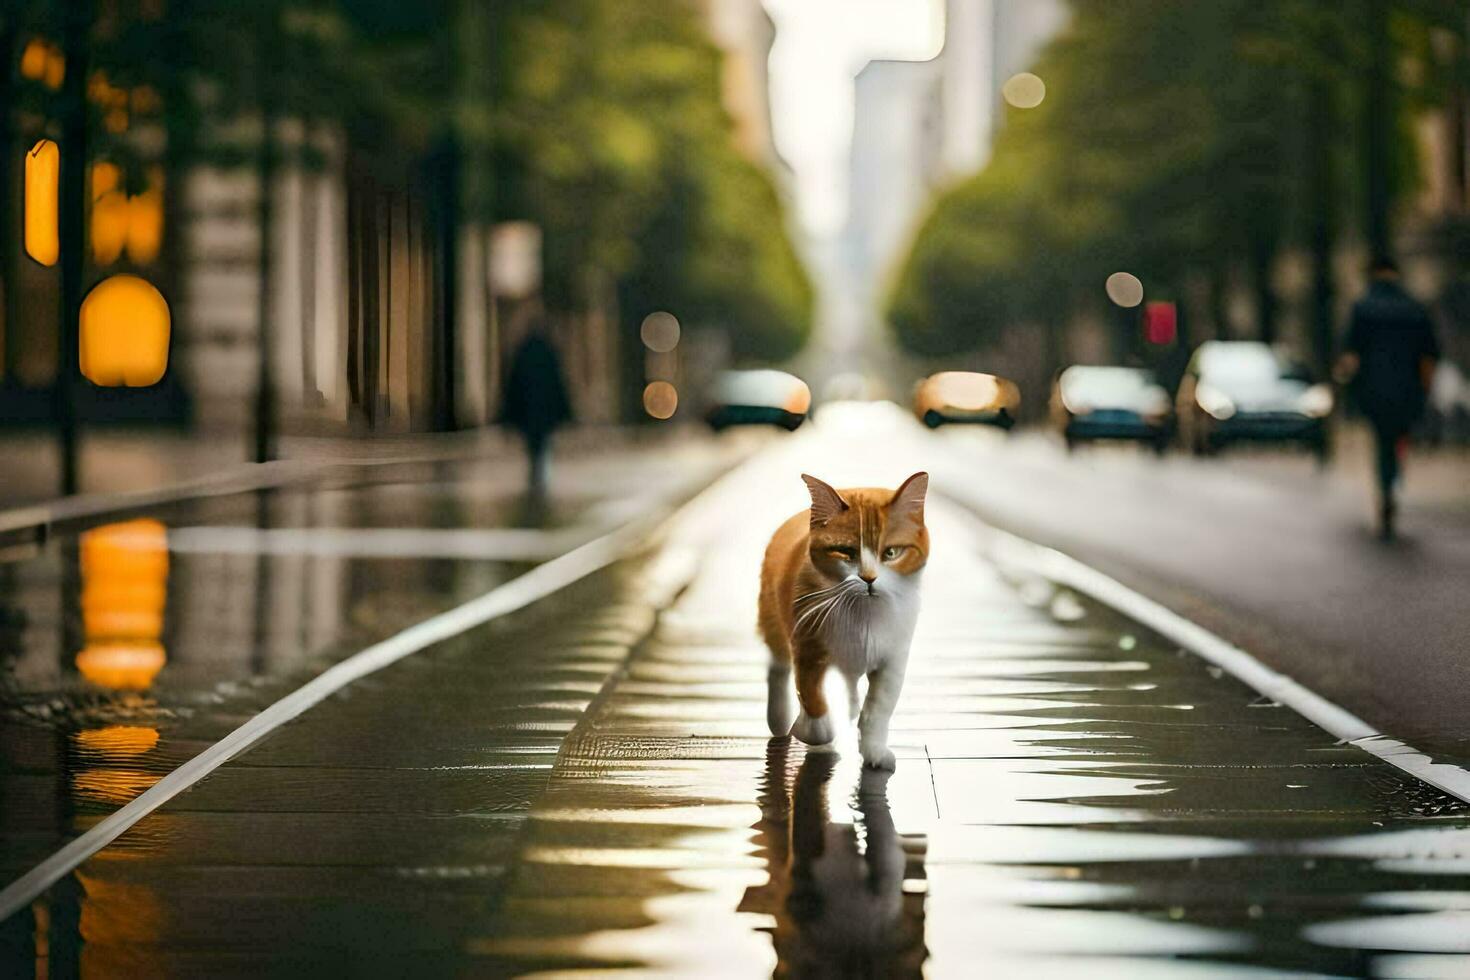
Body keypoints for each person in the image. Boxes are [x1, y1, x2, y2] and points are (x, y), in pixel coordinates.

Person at [1337, 256, 1440, 539]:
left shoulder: (1363, 307)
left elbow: (1350, 355)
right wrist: (1425, 389)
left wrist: (1344, 384)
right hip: (1408, 388)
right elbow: (1429, 354)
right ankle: (1394, 479)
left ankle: (1386, 488)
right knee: (1398, 436)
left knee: (1382, 441)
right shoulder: (1414, 307)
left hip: (1374, 389)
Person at [499, 323, 572, 496]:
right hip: (543, 409)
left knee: (533, 441)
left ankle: (536, 469)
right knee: (542, 440)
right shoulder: (547, 353)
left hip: (529, 409)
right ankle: (538, 470)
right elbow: (557, 383)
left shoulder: (523, 352)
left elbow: (514, 383)